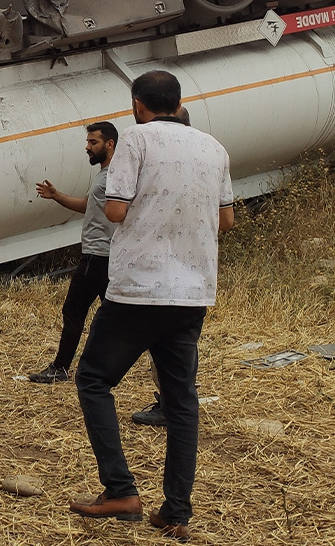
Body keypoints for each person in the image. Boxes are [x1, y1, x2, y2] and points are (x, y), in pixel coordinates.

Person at [69, 73, 233, 542]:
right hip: (192, 291)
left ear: (137, 104)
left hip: (139, 288)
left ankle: (120, 490)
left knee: (94, 380)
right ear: (179, 102)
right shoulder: (214, 147)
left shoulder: (135, 140)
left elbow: (115, 211)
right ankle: (176, 511)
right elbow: (227, 219)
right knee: (182, 402)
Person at [27, 121, 119, 384]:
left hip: (98, 256)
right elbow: (90, 206)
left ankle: (61, 367)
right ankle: (107, 365)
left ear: (109, 144)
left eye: (94, 143)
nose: (87, 147)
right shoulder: (105, 174)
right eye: (88, 142)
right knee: (112, 315)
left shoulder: (113, 175)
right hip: (101, 255)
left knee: (74, 311)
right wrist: (57, 196)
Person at [129, 105, 192, 427]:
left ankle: (172, 406)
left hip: (162, 271)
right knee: (180, 343)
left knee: (164, 346)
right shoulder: (200, 163)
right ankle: (178, 402)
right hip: (191, 272)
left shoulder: (161, 169)